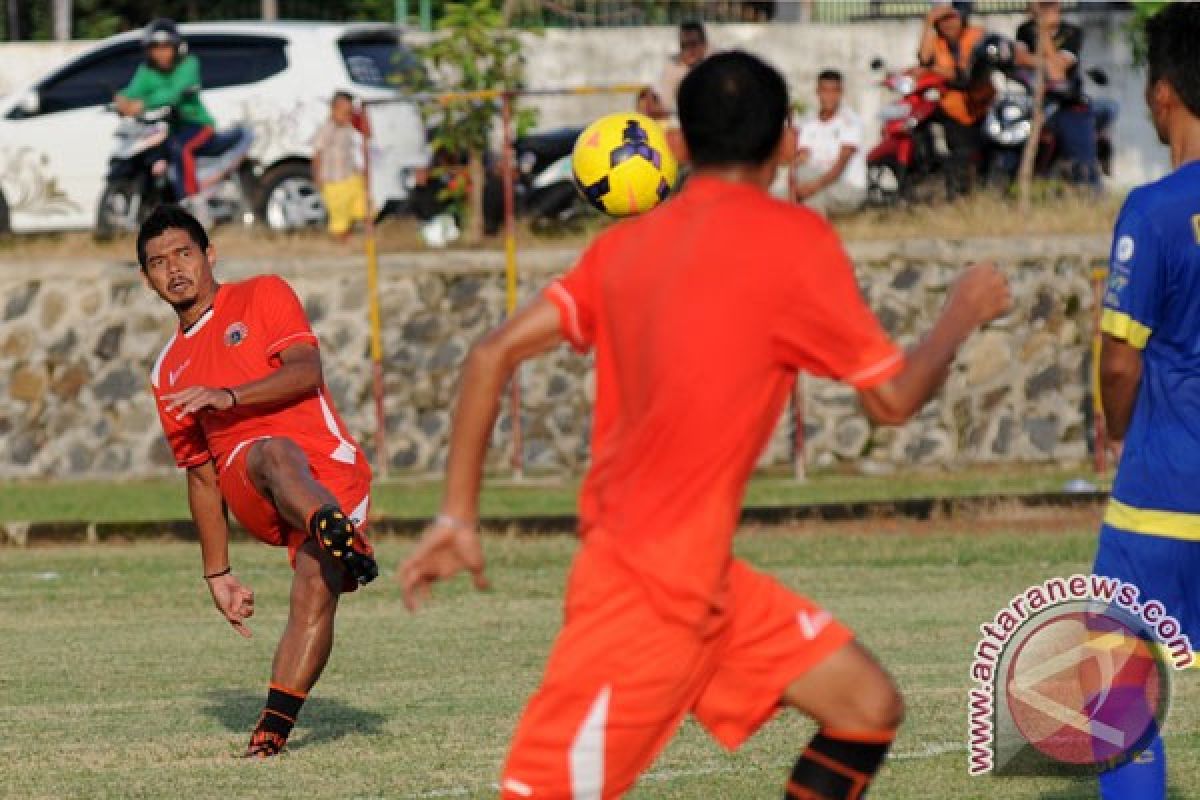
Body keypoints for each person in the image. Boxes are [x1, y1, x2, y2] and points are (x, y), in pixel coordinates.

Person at [399, 51, 1010, 799]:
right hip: (642, 597)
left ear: (679, 145)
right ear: (789, 140)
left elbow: (491, 355)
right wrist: (960, 315)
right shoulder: (796, 243)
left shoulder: (620, 247)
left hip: (709, 584)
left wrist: (458, 514)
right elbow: (891, 402)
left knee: (865, 707)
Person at [139, 204, 378, 758]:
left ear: (209, 255)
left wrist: (230, 395)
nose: (174, 269)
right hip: (254, 480)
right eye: (158, 263)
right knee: (272, 451)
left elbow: (305, 370)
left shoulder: (264, 294)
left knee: (317, 587)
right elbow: (201, 475)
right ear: (147, 280)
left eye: (184, 253)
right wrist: (217, 574)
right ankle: (335, 529)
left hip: (334, 472)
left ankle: (271, 731)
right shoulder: (168, 369)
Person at [1094, 4, 1200, 797]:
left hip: (1163, 494)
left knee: (1118, 689)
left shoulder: (1155, 210)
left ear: (1162, 93)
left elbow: (1121, 362)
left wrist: (1114, 426)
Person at [115, 19, 215, 205]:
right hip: (167, 128)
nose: (161, 52)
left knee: (180, 147)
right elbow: (132, 91)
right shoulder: (146, 71)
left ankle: (191, 202)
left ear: (176, 47)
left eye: (166, 47)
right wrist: (121, 101)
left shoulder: (189, 64)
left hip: (196, 124)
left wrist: (141, 104)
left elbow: (174, 94)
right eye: (155, 47)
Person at [1014, 0, 1100, 188]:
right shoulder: (1024, 30)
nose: (1045, 11)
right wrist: (1049, 61)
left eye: (1049, 6)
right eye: (1040, 6)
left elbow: (1057, 73)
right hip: (1036, 105)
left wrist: (1043, 33)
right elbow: (1020, 59)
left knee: (1083, 163)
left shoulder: (1071, 32)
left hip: (1068, 104)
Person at [917, 3, 992, 200]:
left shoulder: (977, 36)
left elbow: (965, 73)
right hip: (955, 111)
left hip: (981, 108)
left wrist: (936, 70)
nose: (947, 24)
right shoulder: (937, 42)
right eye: (942, 20)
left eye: (952, 18)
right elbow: (924, 60)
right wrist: (927, 23)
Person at [793, 69, 867, 216]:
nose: (829, 97)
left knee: (808, 193)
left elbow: (840, 166)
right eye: (825, 91)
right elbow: (801, 158)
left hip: (846, 188)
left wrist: (812, 187)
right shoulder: (809, 122)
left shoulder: (850, 122)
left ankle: (813, 232)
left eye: (834, 91)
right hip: (819, 184)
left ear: (841, 93)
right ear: (818, 92)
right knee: (782, 191)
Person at [312, 91, 368, 241]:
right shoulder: (326, 130)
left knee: (364, 207)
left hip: (350, 176)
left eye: (350, 113)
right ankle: (342, 242)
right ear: (333, 109)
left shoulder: (349, 128)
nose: (347, 117)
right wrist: (317, 177)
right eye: (345, 113)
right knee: (340, 217)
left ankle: (366, 239)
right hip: (333, 180)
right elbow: (317, 154)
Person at [656, 20, 709, 120]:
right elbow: (665, 104)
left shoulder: (714, 66)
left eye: (693, 44)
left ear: (704, 45)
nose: (689, 50)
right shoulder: (673, 68)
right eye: (684, 45)